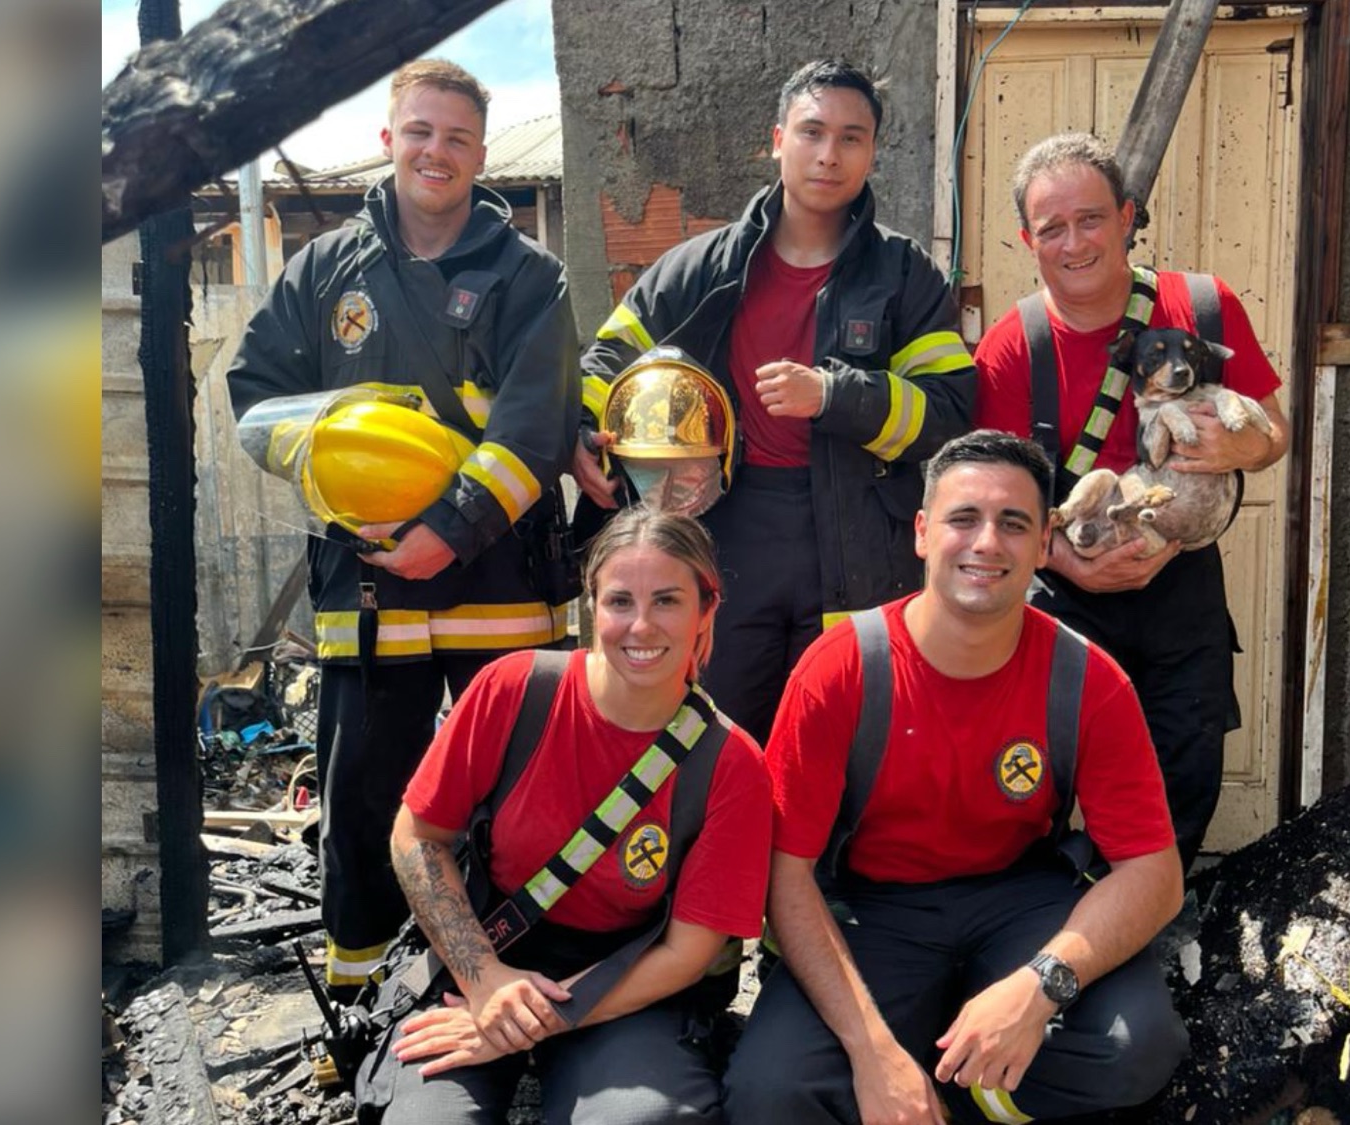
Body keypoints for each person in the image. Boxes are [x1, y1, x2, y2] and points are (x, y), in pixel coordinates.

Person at [225, 59, 580, 993]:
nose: (437, 151)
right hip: (371, 591)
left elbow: (537, 423)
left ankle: (521, 988)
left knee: (519, 797)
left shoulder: (527, 275)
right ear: (390, 140)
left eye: (457, 137)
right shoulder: (325, 269)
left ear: (479, 151)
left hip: (500, 584)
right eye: (420, 131)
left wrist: (450, 526)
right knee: (365, 800)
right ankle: (361, 1003)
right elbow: (255, 398)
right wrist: (335, 461)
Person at [725, 431, 1188, 1125]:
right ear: (921, 532)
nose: (987, 543)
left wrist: (1038, 988)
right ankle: (907, 1076)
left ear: (1043, 543)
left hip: (1018, 901)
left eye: (1013, 523)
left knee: (1135, 1045)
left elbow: (1154, 874)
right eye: (963, 518)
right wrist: (872, 1051)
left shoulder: (1088, 677)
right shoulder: (839, 668)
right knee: (771, 1092)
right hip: (872, 911)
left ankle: (960, 1097)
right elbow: (784, 876)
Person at [572, 58, 975, 743]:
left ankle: (825, 859)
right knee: (721, 732)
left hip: (859, 537)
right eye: (812, 131)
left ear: (873, 151)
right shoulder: (704, 267)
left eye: (852, 137)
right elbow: (608, 359)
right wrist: (586, 433)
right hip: (730, 526)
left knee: (843, 736)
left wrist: (833, 394)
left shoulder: (905, 274)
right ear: (777, 139)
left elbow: (948, 412)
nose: (829, 154)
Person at [376, 508, 771, 1123]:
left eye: (667, 600)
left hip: (628, 981)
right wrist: (484, 982)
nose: (641, 625)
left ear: (706, 612)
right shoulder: (513, 690)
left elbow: (689, 953)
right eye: (620, 601)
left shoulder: (731, 765)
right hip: (485, 953)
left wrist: (538, 1019)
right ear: (591, 606)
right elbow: (418, 834)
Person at [972, 133, 1290, 869]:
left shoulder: (1204, 306)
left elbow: (1275, 430)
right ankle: (1045, 916)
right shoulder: (1011, 348)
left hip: (1183, 579)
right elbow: (991, 497)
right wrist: (1063, 561)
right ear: (1027, 239)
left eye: (1090, 219)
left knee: (1187, 750)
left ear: (1126, 216)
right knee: (1041, 767)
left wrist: (1244, 446)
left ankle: (1161, 911)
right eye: (1052, 228)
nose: (1074, 242)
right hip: (1065, 588)